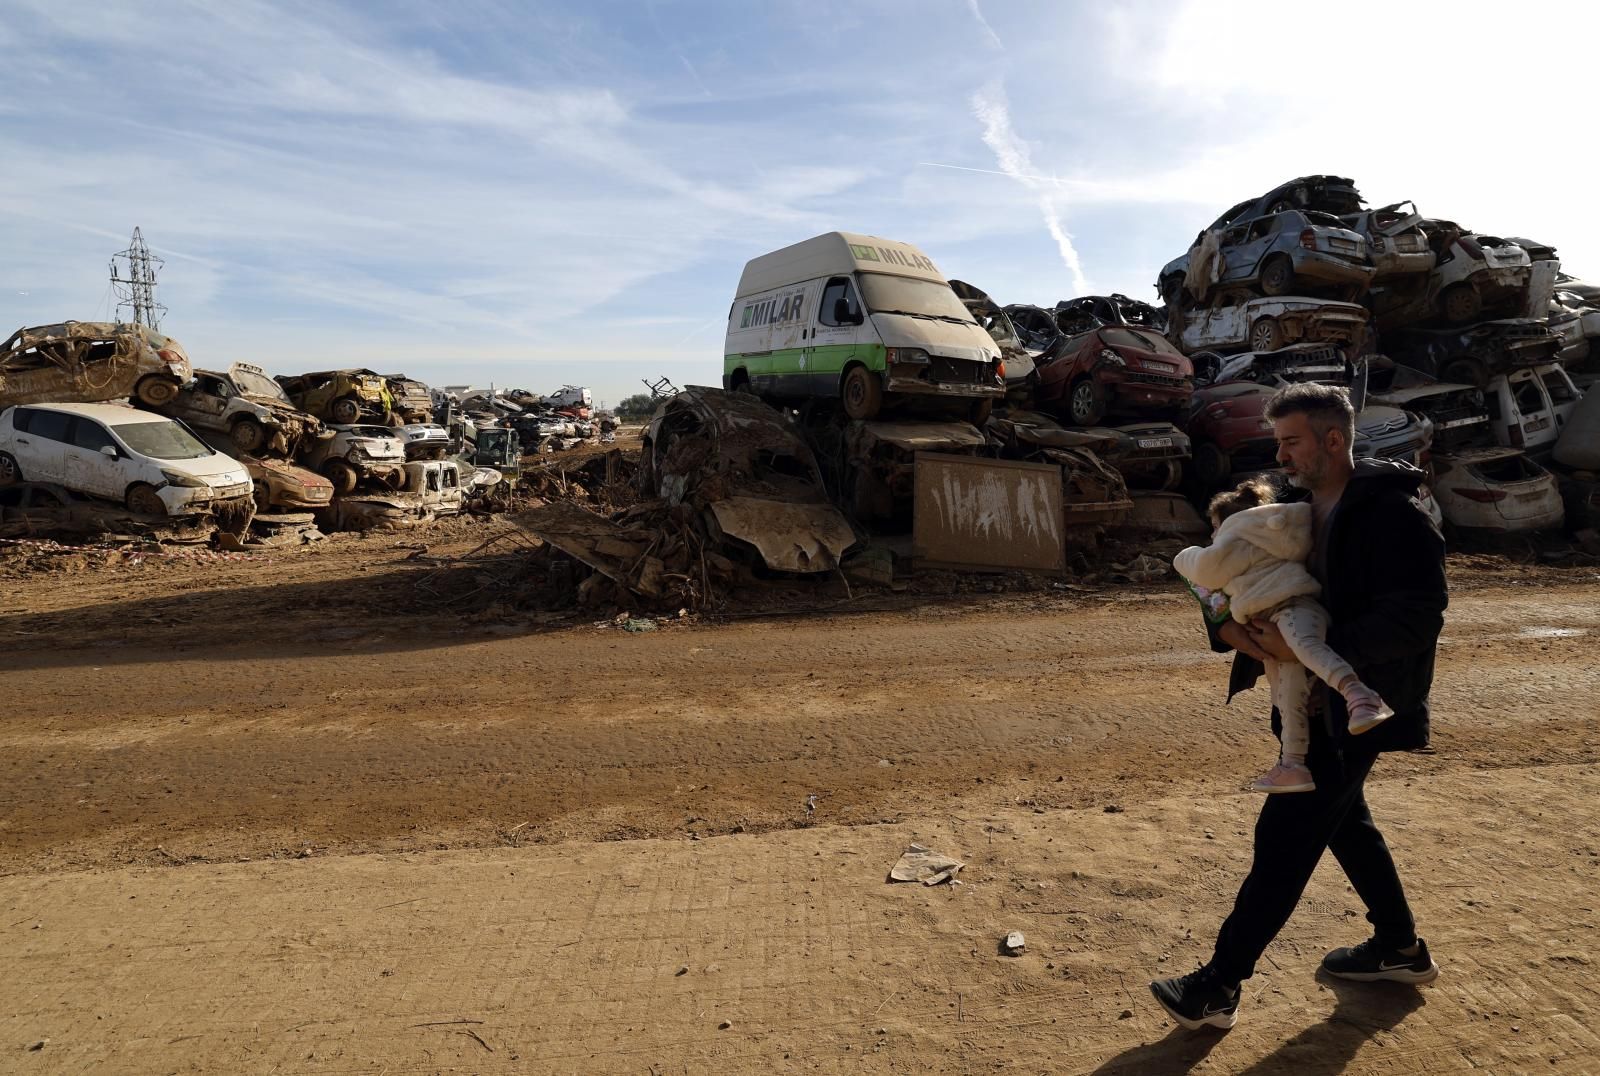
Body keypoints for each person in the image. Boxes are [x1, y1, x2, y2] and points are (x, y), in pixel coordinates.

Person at [1150, 382, 1448, 1031]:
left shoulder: (1393, 512)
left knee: (1284, 838)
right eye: (1278, 441)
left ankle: (1218, 986)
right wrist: (1227, 630)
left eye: (1291, 441)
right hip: (1303, 701)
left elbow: (1419, 617)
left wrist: (1311, 643)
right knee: (1346, 823)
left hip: (1360, 706)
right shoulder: (1293, 505)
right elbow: (1224, 578)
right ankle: (1398, 948)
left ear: (1333, 439)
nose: (1279, 455)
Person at [1174, 475, 1393, 794]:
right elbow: (1213, 596)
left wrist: (1184, 555)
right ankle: (1292, 764)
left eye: (1215, 528)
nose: (1213, 535)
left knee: (1304, 649)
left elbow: (1202, 572)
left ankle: (1358, 694)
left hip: (1296, 616)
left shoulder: (1240, 541)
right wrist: (1226, 628)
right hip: (1273, 628)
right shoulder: (1284, 528)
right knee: (1288, 696)